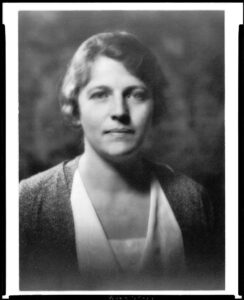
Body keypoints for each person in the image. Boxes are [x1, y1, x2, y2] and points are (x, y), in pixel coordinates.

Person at [19, 31, 216, 291]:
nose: (120, 112)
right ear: (75, 107)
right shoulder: (28, 205)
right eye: (100, 94)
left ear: (154, 105)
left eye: (136, 94)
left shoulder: (193, 202)